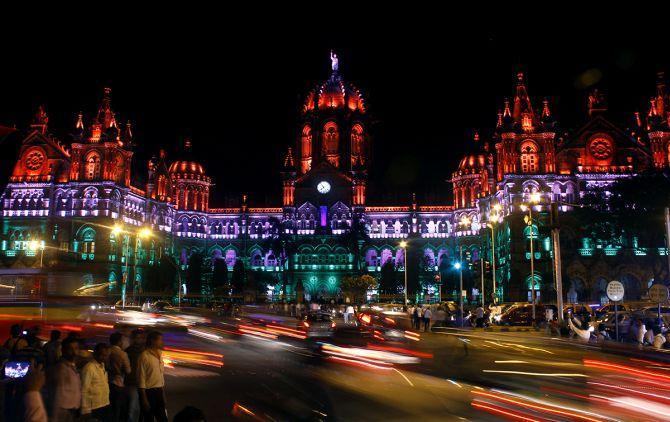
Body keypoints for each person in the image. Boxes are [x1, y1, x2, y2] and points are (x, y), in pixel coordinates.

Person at [138, 331, 167, 422]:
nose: (162, 342)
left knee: (162, 418)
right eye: (160, 340)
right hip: (149, 392)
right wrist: (144, 398)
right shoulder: (144, 356)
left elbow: (161, 376)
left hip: (159, 391)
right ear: (152, 341)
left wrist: (163, 394)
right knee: (149, 418)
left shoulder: (160, 354)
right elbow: (141, 378)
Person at [52, 337, 82, 422]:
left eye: (76, 348)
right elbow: (56, 394)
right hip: (63, 411)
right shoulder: (61, 369)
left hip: (72, 409)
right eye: (70, 349)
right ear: (63, 350)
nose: (74, 352)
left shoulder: (72, 366)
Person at [81, 343, 111, 420]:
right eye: (102, 355)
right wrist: (85, 409)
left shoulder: (102, 365)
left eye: (106, 355)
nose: (105, 357)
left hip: (104, 403)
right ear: (96, 354)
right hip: (94, 406)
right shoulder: (89, 368)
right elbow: (84, 389)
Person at [108, 332, 131, 421]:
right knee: (117, 409)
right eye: (122, 340)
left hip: (107, 382)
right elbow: (128, 370)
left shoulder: (107, 351)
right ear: (119, 342)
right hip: (118, 383)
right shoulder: (122, 354)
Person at [125, 328, 146, 422]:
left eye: (140, 338)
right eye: (137, 338)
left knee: (142, 407)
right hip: (133, 382)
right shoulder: (129, 351)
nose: (139, 340)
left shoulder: (146, 351)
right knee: (133, 407)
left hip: (143, 383)